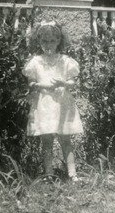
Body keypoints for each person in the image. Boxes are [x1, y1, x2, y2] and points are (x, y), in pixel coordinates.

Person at [22, 20, 83, 182]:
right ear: (39, 41)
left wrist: (63, 83)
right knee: (47, 140)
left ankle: (72, 174)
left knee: (65, 139)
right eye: (44, 41)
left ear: (58, 41)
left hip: (62, 103)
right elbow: (31, 83)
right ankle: (49, 173)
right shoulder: (35, 62)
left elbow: (72, 82)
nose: (48, 44)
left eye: (52, 41)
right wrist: (41, 85)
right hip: (45, 104)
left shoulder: (65, 61)